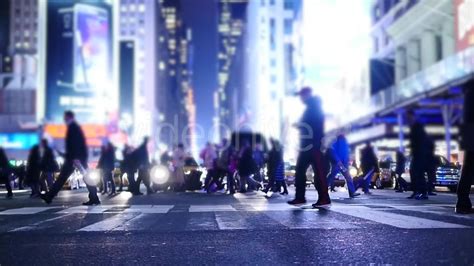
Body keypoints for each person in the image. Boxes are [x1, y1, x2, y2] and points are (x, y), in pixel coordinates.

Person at [41, 110, 100, 205]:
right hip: (76, 157)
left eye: (65, 117)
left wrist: (75, 158)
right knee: (82, 177)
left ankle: (49, 196)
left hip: (75, 158)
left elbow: (75, 144)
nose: (64, 119)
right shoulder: (74, 127)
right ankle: (94, 198)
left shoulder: (73, 127)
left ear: (70, 117)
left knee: (64, 177)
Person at [288, 87, 331, 208]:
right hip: (308, 145)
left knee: (318, 172)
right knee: (301, 170)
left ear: (307, 95)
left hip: (312, 145)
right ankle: (300, 197)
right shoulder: (310, 108)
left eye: (302, 95)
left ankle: (323, 198)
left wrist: (300, 125)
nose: (300, 98)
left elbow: (314, 126)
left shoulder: (314, 108)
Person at [456, 81, 474, 214]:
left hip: (468, 129)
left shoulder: (469, 88)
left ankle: (462, 202)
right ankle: (462, 202)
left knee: (468, 166)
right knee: (469, 166)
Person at [406, 111, 429, 200]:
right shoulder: (414, 127)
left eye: (409, 117)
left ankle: (423, 192)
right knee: (413, 171)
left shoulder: (417, 126)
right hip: (416, 153)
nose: (408, 119)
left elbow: (420, 141)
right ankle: (416, 191)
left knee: (418, 172)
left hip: (420, 153)